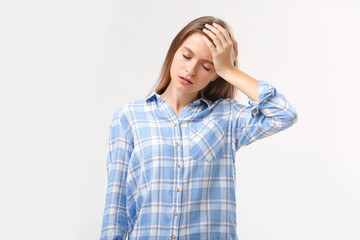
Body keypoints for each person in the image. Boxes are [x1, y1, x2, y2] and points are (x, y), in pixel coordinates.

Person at [100, 16, 297, 240]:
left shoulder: (227, 117)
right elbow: (116, 208)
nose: (191, 70)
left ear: (216, 74)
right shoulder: (129, 117)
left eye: (207, 66)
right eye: (186, 56)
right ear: (173, 52)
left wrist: (230, 70)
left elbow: (284, 114)